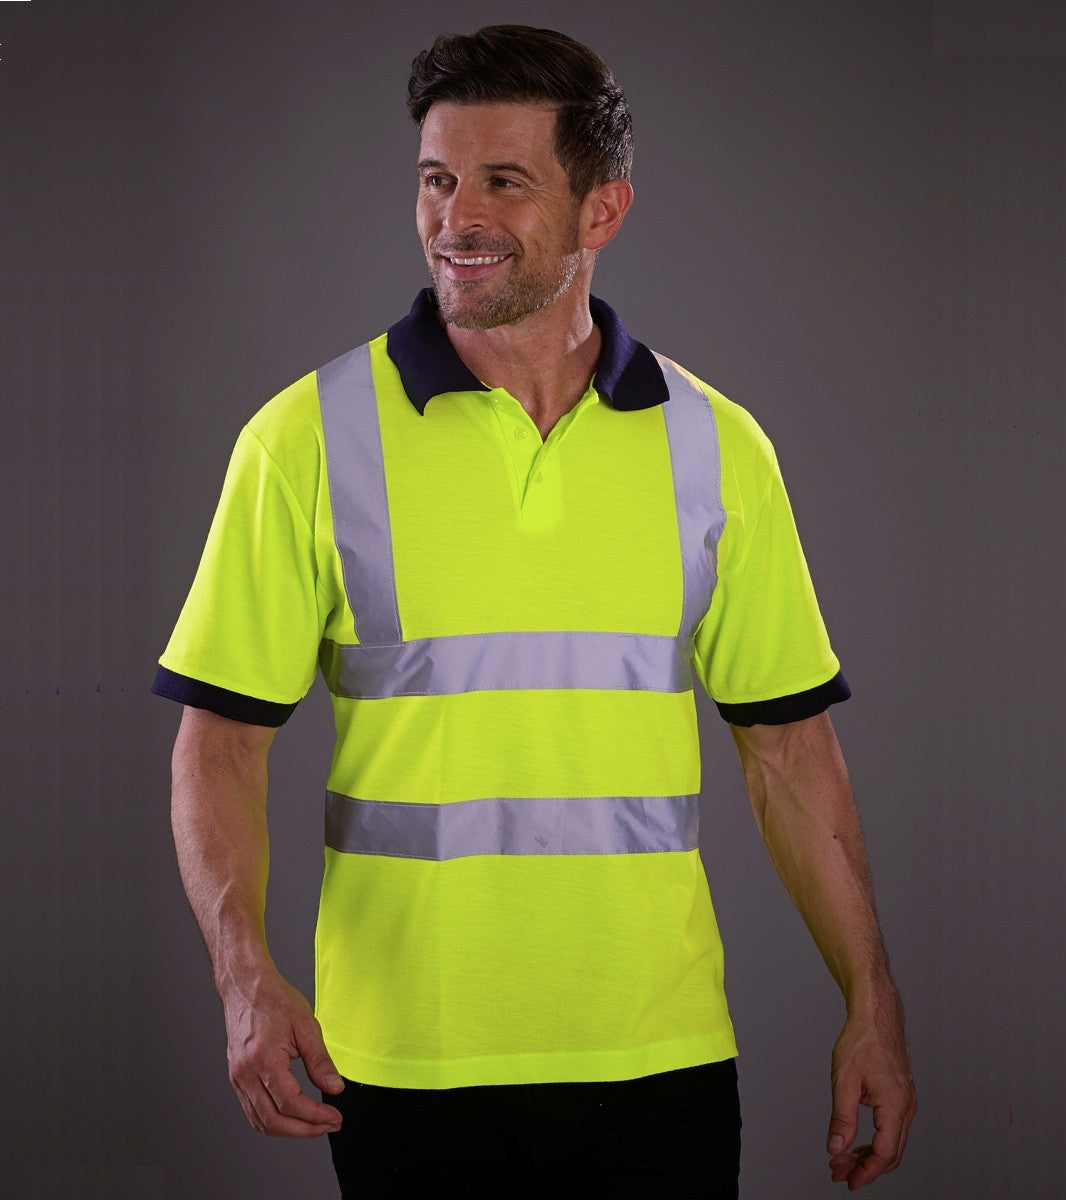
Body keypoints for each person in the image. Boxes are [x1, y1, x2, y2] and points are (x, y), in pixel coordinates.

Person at [153, 24, 916, 1198]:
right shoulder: (304, 439)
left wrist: (870, 1000)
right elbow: (219, 747)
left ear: (601, 209)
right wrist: (243, 977)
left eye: (503, 182)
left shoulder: (716, 448)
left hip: (657, 1060)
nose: (456, 217)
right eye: (435, 180)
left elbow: (789, 751)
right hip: (401, 1065)